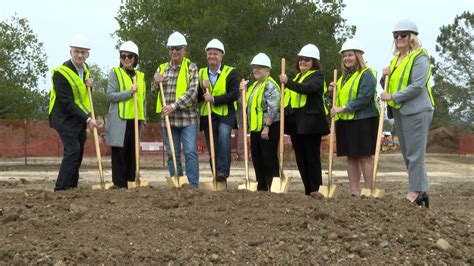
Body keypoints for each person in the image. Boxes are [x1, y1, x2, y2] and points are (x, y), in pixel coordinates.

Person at [380, 20, 435, 207]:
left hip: (418, 110)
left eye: (403, 35)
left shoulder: (420, 56)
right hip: (400, 111)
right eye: (396, 36)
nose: (399, 38)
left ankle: (416, 191)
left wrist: (392, 96)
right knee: (408, 153)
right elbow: (390, 85)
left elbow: (417, 86)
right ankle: (422, 191)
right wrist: (384, 76)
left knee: (415, 154)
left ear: (412, 36)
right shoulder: (395, 59)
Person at [329, 38, 379, 196]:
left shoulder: (367, 74)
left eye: (350, 55)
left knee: (364, 156)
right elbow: (339, 99)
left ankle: (369, 190)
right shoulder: (343, 78)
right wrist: (332, 93)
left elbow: (364, 97)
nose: (346, 59)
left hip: (363, 120)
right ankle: (355, 192)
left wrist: (343, 108)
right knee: (351, 158)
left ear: (358, 56)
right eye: (344, 56)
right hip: (345, 121)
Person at [48, 34, 97, 191]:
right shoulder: (60, 73)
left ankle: (72, 186)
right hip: (63, 118)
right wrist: (88, 118)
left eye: (83, 52)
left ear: (87, 54)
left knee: (79, 150)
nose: (80, 55)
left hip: (78, 118)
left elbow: (82, 94)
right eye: (77, 51)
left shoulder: (85, 69)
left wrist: (90, 85)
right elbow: (67, 102)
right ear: (71, 52)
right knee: (73, 150)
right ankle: (61, 187)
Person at [279, 44, 330, 195]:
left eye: (307, 60)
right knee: (301, 158)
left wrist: (288, 82)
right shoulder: (297, 77)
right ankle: (308, 189)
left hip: (311, 124)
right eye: (301, 60)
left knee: (311, 157)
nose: (303, 62)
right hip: (296, 124)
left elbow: (307, 89)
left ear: (314, 62)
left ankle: (316, 188)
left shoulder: (318, 76)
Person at [153, 32, 199, 188]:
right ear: (168, 50)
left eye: (178, 49)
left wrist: (173, 106)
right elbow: (154, 91)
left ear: (184, 50)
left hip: (187, 119)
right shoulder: (161, 69)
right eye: (172, 49)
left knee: (190, 153)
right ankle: (177, 183)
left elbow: (192, 92)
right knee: (172, 154)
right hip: (168, 121)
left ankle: (192, 186)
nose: (174, 52)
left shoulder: (190, 67)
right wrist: (155, 82)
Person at [105, 41, 146, 188]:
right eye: (123, 56)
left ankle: (131, 181)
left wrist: (144, 118)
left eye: (130, 56)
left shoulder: (140, 76)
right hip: (119, 120)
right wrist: (129, 93)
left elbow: (143, 98)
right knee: (119, 153)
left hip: (136, 119)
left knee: (132, 153)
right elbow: (110, 96)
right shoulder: (115, 73)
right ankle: (119, 184)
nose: (126, 59)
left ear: (135, 58)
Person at [197, 39, 239, 182]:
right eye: (209, 54)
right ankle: (216, 174)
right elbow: (195, 97)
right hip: (207, 115)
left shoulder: (230, 72)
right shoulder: (201, 73)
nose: (212, 56)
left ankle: (223, 171)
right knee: (212, 145)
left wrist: (214, 99)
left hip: (225, 115)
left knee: (223, 136)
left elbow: (234, 94)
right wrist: (202, 89)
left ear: (221, 56)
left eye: (215, 54)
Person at [239, 53, 280, 191]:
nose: (256, 70)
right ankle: (262, 186)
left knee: (268, 158)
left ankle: (274, 186)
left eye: (260, 68)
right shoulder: (254, 85)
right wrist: (242, 92)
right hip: (256, 129)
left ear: (267, 70)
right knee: (257, 158)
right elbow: (245, 104)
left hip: (269, 127)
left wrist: (266, 127)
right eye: (254, 67)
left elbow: (273, 108)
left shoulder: (270, 85)